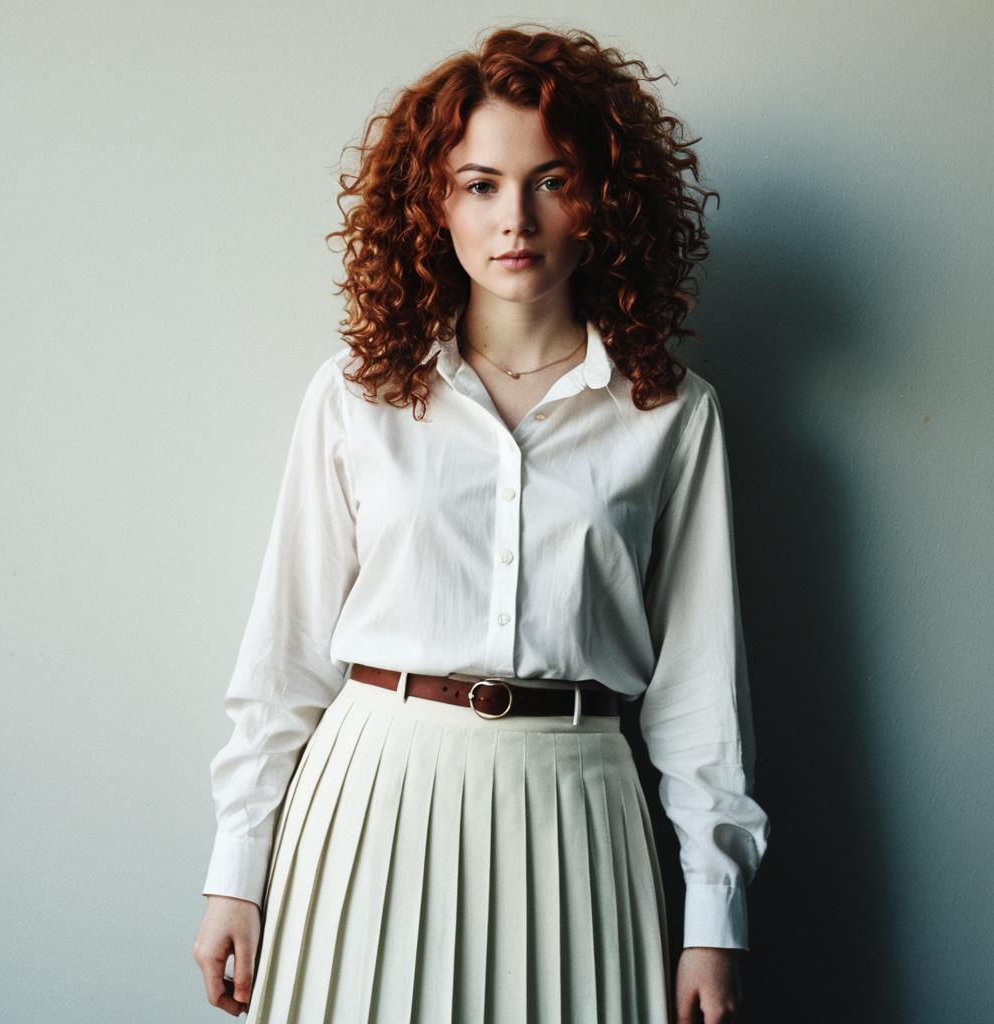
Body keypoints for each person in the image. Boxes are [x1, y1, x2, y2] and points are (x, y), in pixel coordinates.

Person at [192, 23, 770, 1024]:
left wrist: (714, 918)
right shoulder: (358, 395)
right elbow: (284, 658)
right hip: (371, 801)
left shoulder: (672, 414)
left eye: (552, 181)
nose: (516, 219)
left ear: (603, 198)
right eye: (479, 184)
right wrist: (235, 872)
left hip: (578, 812)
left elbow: (701, 692)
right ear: (435, 203)